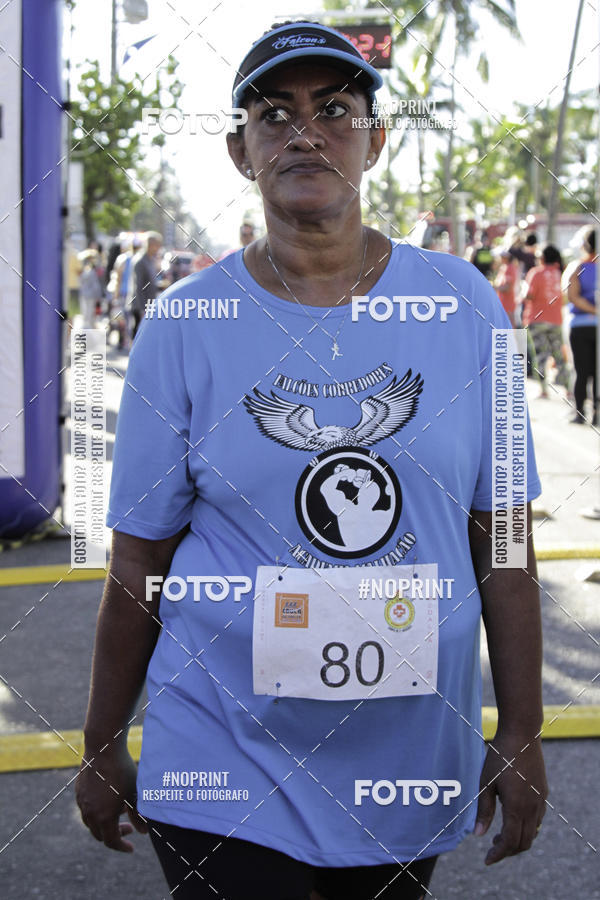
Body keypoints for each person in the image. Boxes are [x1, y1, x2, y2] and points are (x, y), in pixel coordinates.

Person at [76, 21, 547, 900]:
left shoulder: (466, 304)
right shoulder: (183, 323)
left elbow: (507, 531)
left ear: (374, 137)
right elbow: (138, 557)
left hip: (406, 765)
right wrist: (102, 742)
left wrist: (523, 725)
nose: (304, 131)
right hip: (222, 755)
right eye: (273, 112)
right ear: (239, 149)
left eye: (334, 109)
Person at [522, 244, 570, 398]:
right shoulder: (559, 273)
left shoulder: (535, 273)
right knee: (559, 356)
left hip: (536, 320)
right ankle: (568, 389)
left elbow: (528, 295)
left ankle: (543, 389)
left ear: (542, 258)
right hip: (556, 320)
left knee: (540, 355)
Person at [565, 227, 597, 424]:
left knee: (581, 370)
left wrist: (592, 310)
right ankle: (597, 414)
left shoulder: (578, 267)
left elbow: (572, 296)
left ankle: (580, 414)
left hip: (581, 326)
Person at [129, 231, 163, 338]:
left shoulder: (150, 260)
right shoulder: (140, 261)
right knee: (139, 334)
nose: (158, 248)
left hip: (149, 303)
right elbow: (138, 287)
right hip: (141, 305)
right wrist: (143, 309)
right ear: (151, 245)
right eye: (157, 245)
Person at [77, 249, 103, 329]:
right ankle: (88, 328)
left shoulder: (92, 270)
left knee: (88, 313)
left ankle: (88, 328)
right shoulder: (90, 271)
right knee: (88, 313)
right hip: (89, 294)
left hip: (88, 294)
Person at [493, 248, 519, 326]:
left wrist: (494, 287)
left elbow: (507, 288)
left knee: (508, 327)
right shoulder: (504, 267)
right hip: (502, 303)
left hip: (508, 303)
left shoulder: (510, 268)